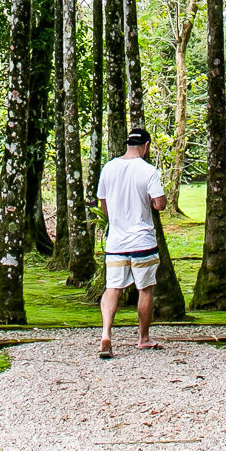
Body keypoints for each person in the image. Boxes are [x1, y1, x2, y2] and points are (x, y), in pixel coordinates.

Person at [95, 127, 166, 358]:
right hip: (142, 241)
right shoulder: (148, 171)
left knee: (112, 287)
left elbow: (103, 204)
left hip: (116, 241)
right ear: (146, 146)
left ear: (127, 144)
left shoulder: (109, 167)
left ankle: (106, 333)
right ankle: (143, 337)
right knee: (144, 288)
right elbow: (159, 203)